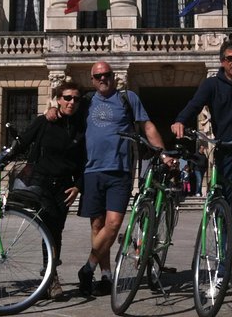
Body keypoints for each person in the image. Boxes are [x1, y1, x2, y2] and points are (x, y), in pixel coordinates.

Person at [171, 40, 232, 271]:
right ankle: (227, 247)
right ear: (222, 61)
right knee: (221, 198)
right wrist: (180, 120)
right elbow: (194, 105)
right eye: (230, 58)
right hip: (225, 146)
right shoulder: (211, 85)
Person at [74, 61, 173, 296]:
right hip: (91, 171)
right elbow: (65, 110)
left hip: (120, 170)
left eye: (106, 74)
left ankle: (87, 267)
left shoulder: (128, 98)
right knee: (97, 225)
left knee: (114, 224)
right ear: (92, 80)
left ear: (114, 76)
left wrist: (164, 152)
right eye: (98, 76)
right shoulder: (86, 101)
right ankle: (106, 276)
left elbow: (147, 126)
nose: (102, 78)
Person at [0, 81, 86, 300]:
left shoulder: (82, 127)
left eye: (75, 98)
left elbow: (85, 161)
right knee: (49, 229)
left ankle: (49, 274)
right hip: (41, 182)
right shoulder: (44, 122)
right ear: (58, 99)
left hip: (65, 187)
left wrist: (78, 186)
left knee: (56, 232)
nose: (71, 102)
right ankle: (51, 275)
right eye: (67, 98)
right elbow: (22, 143)